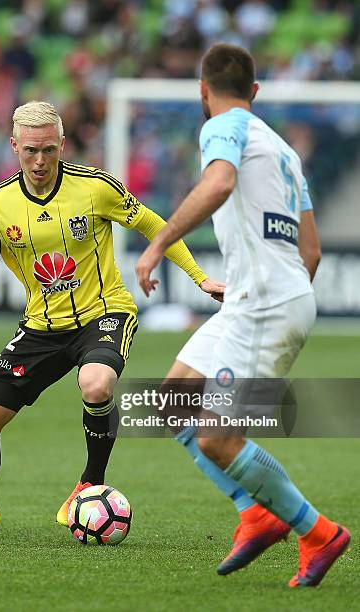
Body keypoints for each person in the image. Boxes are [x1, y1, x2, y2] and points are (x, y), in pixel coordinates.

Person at [0, 100, 222, 539]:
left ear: (62, 145)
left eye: (49, 150)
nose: (40, 161)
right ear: (14, 146)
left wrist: (200, 278)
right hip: (40, 326)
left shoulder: (95, 188)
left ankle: (89, 483)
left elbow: (154, 225)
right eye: (30, 151)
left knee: (96, 383)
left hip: (103, 311)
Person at [136, 43, 350, 588]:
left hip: (263, 305)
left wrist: (158, 242)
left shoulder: (221, 125)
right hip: (265, 298)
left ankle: (317, 531)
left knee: (215, 436)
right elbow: (313, 253)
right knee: (170, 403)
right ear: (255, 91)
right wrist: (268, 286)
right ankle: (254, 512)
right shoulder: (284, 150)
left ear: (203, 91)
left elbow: (220, 182)